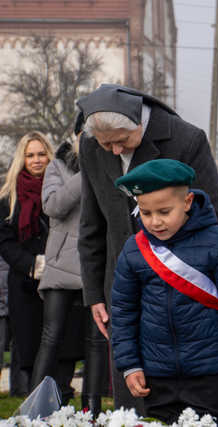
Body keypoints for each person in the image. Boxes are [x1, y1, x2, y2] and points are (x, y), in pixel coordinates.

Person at [76, 84, 218, 410]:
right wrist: (94, 295)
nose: (115, 150)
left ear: (138, 124)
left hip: (184, 291)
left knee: (185, 405)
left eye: (122, 140)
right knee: (133, 400)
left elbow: (216, 217)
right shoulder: (91, 146)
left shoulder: (186, 139)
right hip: (121, 289)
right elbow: (92, 226)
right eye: (107, 144)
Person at [110, 159, 218, 426]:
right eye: (145, 213)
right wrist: (130, 365)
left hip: (211, 373)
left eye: (165, 211)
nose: (155, 221)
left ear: (188, 202)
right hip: (156, 374)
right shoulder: (134, 250)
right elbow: (123, 311)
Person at [30, 132, 109, 413]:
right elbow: (53, 206)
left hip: (96, 263)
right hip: (61, 263)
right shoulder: (58, 166)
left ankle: (93, 409)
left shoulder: (110, 162)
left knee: (98, 340)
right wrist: (84, 173)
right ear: (77, 136)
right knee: (51, 336)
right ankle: (35, 407)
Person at [0, 132, 55, 395]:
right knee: (25, 344)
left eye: (41, 154)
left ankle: (55, 398)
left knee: (56, 342)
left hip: (58, 277)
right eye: (30, 155)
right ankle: (24, 400)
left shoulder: (59, 188)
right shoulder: (8, 196)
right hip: (24, 280)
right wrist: (32, 264)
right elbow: (5, 241)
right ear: (22, 158)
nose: (36, 160)